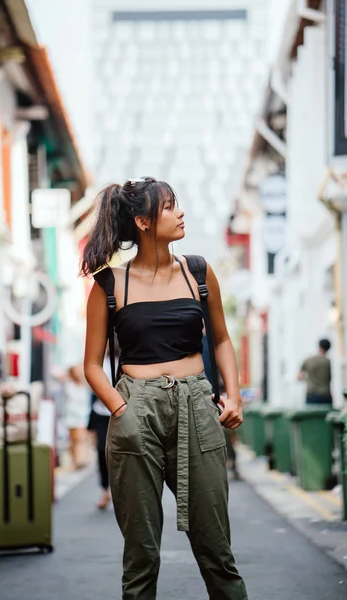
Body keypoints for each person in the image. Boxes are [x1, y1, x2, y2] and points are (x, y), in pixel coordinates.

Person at [81, 177, 247, 599]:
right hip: (135, 408)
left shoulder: (197, 271)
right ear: (143, 221)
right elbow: (92, 366)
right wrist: (122, 411)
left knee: (216, 549)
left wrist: (234, 394)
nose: (181, 212)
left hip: (196, 402)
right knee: (141, 557)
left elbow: (222, 339)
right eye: (170, 207)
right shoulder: (109, 284)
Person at [202, 333, 240, 480]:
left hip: (215, 394)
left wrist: (231, 395)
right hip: (199, 392)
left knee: (225, 430)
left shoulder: (212, 340)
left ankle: (231, 463)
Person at [88, 353, 114, 510]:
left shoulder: (129, 357)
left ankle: (122, 492)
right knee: (101, 451)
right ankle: (105, 490)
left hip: (122, 410)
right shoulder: (101, 361)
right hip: (101, 411)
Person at [65, 365, 91, 469]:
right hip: (70, 416)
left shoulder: (84, 386)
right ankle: (75, 460)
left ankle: (80, 460)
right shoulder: (68, 385)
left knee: (80, 439)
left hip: (82, 416)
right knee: (73, 440)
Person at [298, 339, 333, 405]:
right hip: (326, 395)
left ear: (319, 346)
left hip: (312, 395)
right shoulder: (328, 362)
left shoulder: (309, 360)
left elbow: (299, 377)